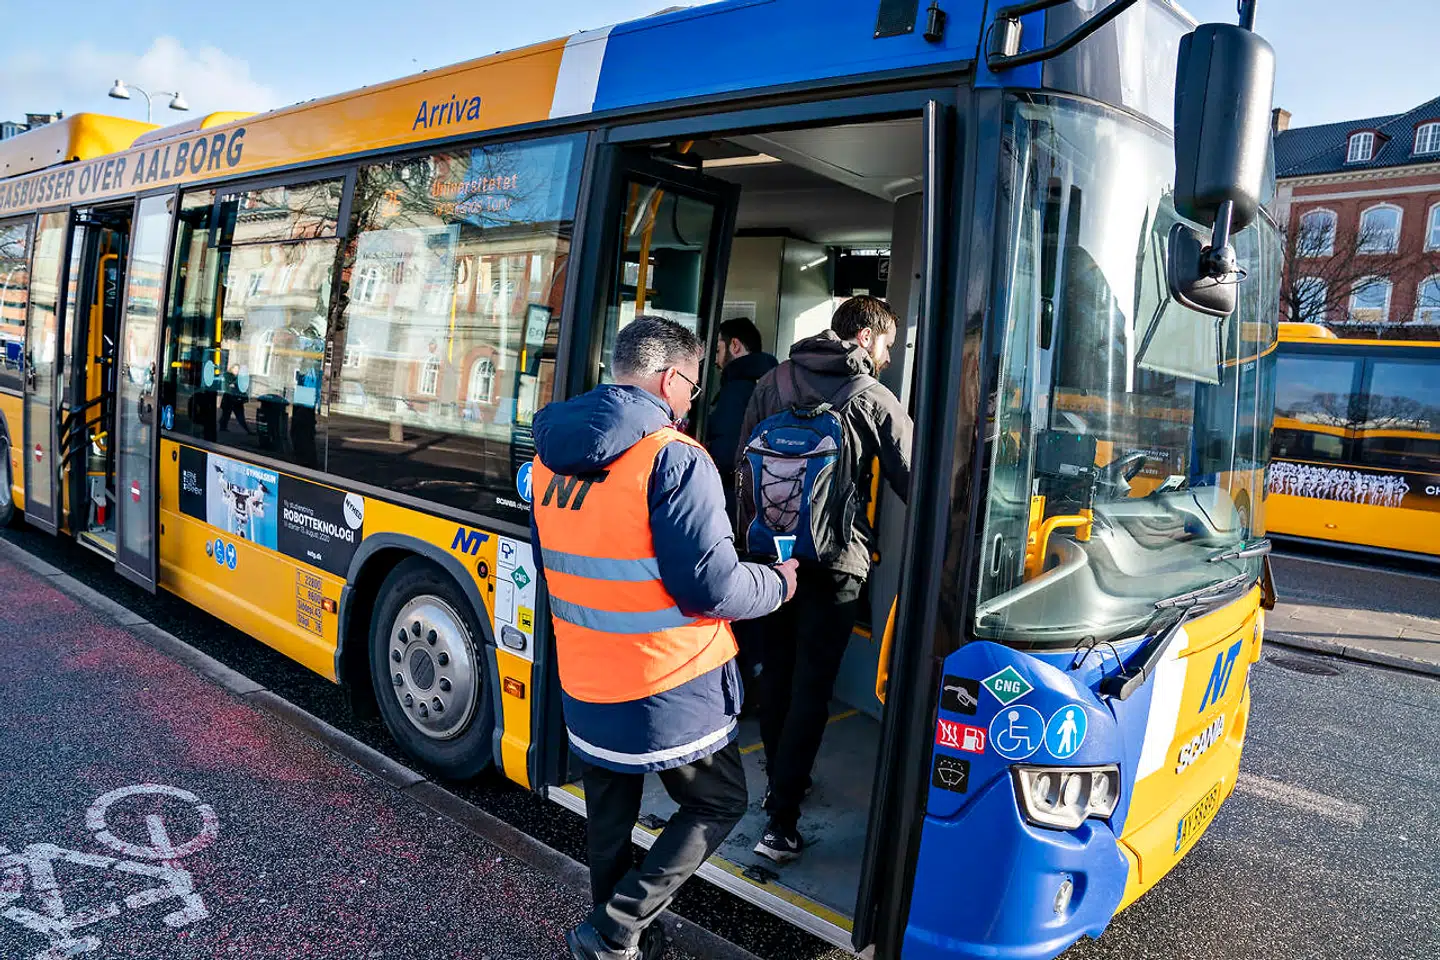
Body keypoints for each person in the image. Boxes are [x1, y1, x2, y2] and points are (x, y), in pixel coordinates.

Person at [530, 315, 799, 960]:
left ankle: (616, 943)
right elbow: (712, 589)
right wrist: (779, 583)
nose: (691, 400)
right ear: (670, 378)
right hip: (668, 682)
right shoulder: (674, 457)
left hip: (585, 676)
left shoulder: (547, 457)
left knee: (608, 818)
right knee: (719, 802)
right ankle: (615, 926)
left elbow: (557, 562)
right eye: (693, 386)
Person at [734, 295, 912, 864]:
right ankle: (781, 822)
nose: (888, 356)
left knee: (778, 674)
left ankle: (778, 785)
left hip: (771, 558)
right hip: (837, 563)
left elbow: (741, 466)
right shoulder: (871, 396)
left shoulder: (774, 380)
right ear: (865, 337)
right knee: (813, 687)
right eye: (887, 344)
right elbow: (916, 479)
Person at [705, 317, 778, 516]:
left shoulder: (736, 389)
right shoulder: (771, 383)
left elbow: (726, 452)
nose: (716, 361)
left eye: (718, 350)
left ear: (735, 345)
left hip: (731, 495)